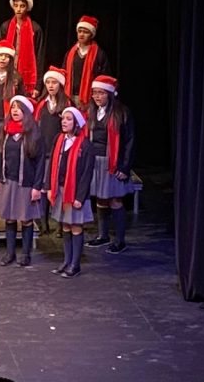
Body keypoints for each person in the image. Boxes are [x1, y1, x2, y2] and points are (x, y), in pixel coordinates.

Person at [0, 95, 44, 267]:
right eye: (13, 107)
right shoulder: (4, 130)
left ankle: (26, 254)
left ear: (26, 112)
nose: (14, 111)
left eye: (18, 108)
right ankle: (10, 253)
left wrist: (37, 186)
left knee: (26, 218)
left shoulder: (34, 132)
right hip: (7, 180)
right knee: (9, 218)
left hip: (25, 183)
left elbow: (40, 162)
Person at [85, 76, 135, 253]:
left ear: (110, 94)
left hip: (112, 162)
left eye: (101, 93)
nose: (97, 97)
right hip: (95, 161)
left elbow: (129, 141)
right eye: (95, 93)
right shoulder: (92, 112)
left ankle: (120, 241)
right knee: (100, 199)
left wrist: (124, 167)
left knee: (114, 200)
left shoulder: (121, 112)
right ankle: (103, 235)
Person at [48, 106, 95, 278]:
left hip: (75, 193)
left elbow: (87, 174)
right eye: (63, 119)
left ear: (76, 123)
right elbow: (52, 164)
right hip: (61, 190)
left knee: (75, 226)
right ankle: (66, 261)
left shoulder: (85, 145)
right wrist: (49, 187)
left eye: (68, 119)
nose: (64, 122)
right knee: (65, 225)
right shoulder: (59, 139)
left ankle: (75, 264)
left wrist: (80, 197)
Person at [35, 67, 70, 234]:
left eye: (54, 82)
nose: (50, 86)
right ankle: (43, 222)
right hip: (44, 152)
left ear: (60, 85)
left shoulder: (66, 105)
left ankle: (61, 224)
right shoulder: (42, 104)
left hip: (60, 152)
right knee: (43, 187)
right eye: (48, 82)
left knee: (59, 188)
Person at [0, 0, 45, 99]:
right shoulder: (6, 27)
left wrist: (37, 85)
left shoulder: (35, 29)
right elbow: (0, 52)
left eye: (22, 6)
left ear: (27, 8)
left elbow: (39, 57)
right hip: (7, 75)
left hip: (26, 79)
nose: (18, 9)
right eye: (16, 6)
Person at [63, 15, 111, 107]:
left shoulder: (99, 54)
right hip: (70, 97)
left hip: (90, 99)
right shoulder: (70, 53)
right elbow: (64, 73)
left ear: (91, 35)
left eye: (85, 32)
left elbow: (104, 77)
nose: (81, 34)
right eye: (80, 31)